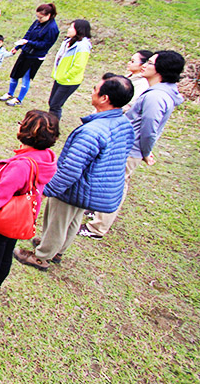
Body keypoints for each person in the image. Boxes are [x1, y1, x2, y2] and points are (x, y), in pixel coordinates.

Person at [13, 74, 134, 270]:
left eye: (96, 89)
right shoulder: (123, 123)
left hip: (77, 186)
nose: (92, 91)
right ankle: (58, 250)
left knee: (57, 221)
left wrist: (48, 189)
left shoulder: (92, 132)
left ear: (105, 98)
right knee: (73, 219)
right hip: (93, 185)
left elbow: (70, 170)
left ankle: (42, 256)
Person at [80, 51, 185, 240]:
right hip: (128, 145)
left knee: (116, 184)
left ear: (161, 69)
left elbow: (149, 129)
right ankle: (96, 210)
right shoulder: (156, 91)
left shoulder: (156, 97)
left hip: (131, 148)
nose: (145, 65)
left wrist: (145, 151)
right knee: (107, 179)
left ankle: (97, 228)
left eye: (151, 63)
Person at [0, 110, 59, 303]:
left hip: (3, 218)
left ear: (27, 132)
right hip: (21, 217)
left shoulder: (21, 166)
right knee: (5, 253)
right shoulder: (46, 157)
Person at [0, 3, 60, 106]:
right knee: (15, 74)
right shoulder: (37, 23)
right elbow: (27, 35)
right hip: (26, 52)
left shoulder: (52, 29)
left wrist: (28, 43)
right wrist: (18, 46)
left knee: (26, 77)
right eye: (37, 17)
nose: (38, 19)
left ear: (49, 15)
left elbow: (45, 45)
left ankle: (19, 99)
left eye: (41, 17)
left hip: (35, 57)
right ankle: (10, 93)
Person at [48, 19, 93, 120]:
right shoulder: (69, 41)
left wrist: (66, 76)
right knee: (52, 102)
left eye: (71, 28)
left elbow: (79, 66)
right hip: (60, 78)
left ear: (79, 30)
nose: (68, 30)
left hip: (69, 81)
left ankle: (52, 127)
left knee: (55, 105)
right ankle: (50, 123)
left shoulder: (82, 46)